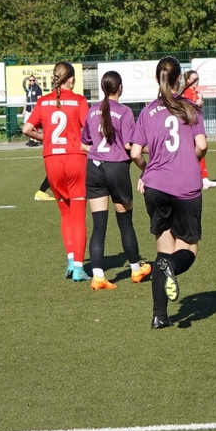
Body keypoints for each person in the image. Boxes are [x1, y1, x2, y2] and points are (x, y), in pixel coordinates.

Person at [130, 57, 208, 329]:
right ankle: (172, 267)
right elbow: (202, 145)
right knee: (188, 248)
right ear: (179, 80)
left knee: (163, 249)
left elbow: (135, 153)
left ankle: (159, 315)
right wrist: (189, 160)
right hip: (186, 186)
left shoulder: (147, 111)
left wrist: (147, 171)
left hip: (155, 186)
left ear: (157, 79)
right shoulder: (191, 108)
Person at [81, 71, 152, 290]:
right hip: (116, 169)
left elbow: (84, 144)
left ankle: (98, 276)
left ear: (103, 88)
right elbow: (130, 146)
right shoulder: (125, 111)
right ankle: (135, 269)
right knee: (125, 222)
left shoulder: (92, 110)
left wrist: (99, 154)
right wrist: (149, 157)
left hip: (94, 168)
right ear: (119, 87)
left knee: (98, 225)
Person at [21, 62, 92, 282]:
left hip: (52, 161)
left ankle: (70, 261)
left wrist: (47, 138)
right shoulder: (79, 100)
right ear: (71, 79)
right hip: (75, 159)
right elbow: (89, 131)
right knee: (78, 215)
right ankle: (79, 266)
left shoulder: (43, 101)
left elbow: (26, 129)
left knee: (65, 214)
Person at [181, 70, 216, 189]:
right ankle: (198, 179)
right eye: (193, 79)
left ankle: (203, 178)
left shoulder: (194, 91)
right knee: (197, 150)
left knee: (200, 150)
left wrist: (199, 103)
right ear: (188, 80)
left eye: (197, 78)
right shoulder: (187, 92)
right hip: (191, 126)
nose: (196, 81)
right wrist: (198, 103)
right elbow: (188, 108)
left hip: (195, 124)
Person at [24, 74, 42, 148]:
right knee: (27, 124)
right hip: (28, 110)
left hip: (34, 109)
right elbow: (27, 100)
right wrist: (24, 110)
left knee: (33, 125)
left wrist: (35, 108)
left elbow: (39, 99)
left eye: (33, 80)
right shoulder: (28, 89)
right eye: (30, 80)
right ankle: (31, 139)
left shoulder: (37, 88)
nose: (32, 81)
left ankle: (36, 140)